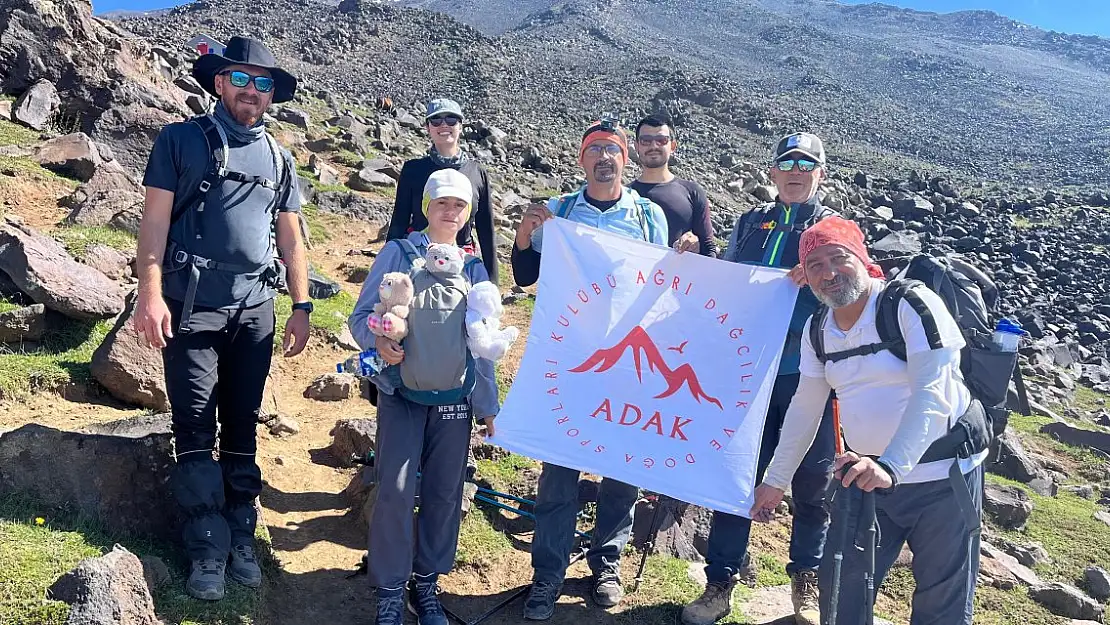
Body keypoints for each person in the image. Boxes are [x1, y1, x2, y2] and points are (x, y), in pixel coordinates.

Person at [133, 36, 310, 601]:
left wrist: (301, 303)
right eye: (241, 79)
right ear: (218, 83)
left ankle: (241, 537)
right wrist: (149, 295)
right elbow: (155, 222)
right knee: (193, 429)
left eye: (263, 83)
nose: (251, 91)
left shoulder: (280, 157)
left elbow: (290, 233)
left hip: (255, 310)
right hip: (190, 307)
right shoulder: (180, 140)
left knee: (242, 425)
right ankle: (206, 549)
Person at [750, 216, 985, 625]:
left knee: (940, 602)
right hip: (865, 477)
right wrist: (775, 480)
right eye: (815, 265)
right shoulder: (817, 329)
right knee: (842, 592)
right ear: (804, 276)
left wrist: (891, 465)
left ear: (861, 257)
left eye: (838, 258)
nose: (829, 273)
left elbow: (934, 390)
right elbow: (805, 408)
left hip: (942, 477)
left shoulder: (910, 304)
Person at [512, 116, 668, 621]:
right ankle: (548, 573)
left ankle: (607, 563)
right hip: (569, 360)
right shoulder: (558, 211)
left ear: (627, 159)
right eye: (595, 148)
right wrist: (524, 234)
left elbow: (663, 285)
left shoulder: (647, 216)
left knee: (622, 468)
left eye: (613, 149)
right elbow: (524, 275)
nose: (605, 156)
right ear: (581, 159)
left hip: (626, 361)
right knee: (560, 468)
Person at [683, 132, 838, 625]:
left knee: (814, 481)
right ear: (772, 173)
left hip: (807, 373)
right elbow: (727, 286)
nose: (796, 171)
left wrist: (813, 281)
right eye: (787, 163)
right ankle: (720, 583)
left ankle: (805, 586)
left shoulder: (834, 230)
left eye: (807, 164)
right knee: (738, 474)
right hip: (746, 373)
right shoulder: (751, 224)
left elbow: (852, 296)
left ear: (820, 174)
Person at [350, 168, 500, 625]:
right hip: (401, 394)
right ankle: (391, 590)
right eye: (442, 203)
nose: (450, 212)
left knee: (443, 494)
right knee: (394, 492)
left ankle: (426, 585)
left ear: (468, 212)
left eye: (459, 205)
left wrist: (489, 406)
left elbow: (484, 343)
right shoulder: (398, 253)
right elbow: (361, 317)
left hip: (455, 400)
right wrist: (377, 341)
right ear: (426, 207)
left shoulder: (475, 268)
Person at [386, 98, 498, 285]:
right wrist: (388, 264)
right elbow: (399, 220)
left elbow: (486, 230)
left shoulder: (478, 173)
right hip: (417, 257)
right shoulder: (412, 170)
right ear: (427, 127)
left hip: (463, 261)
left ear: (461, 126)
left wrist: (492, 283)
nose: (444, 124)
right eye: (436, 120)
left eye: (451, 120)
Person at [628, 113, 718, 257]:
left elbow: (709, 249)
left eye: (661, 140)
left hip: (678, 279)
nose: (653, 146)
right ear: (637, 146)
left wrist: (696, 244)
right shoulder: (624, 196)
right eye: (646, 140)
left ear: (673, 146)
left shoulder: (692, 192)